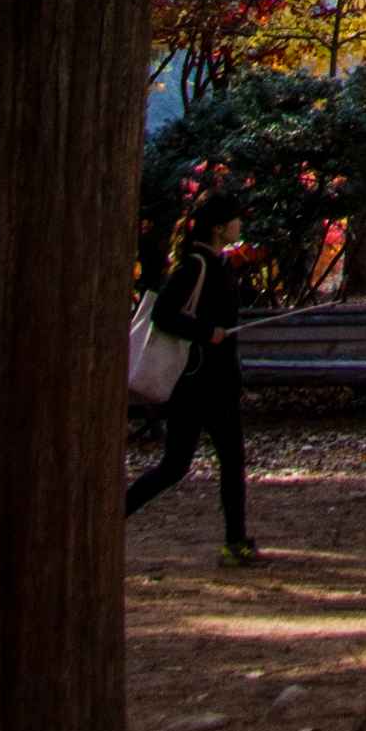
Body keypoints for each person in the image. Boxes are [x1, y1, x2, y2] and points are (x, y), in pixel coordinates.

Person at [126, 189, 256, 564]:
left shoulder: (220, 265)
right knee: (175, 465)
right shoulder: (194, 267)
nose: (239, 224)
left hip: (219, 383)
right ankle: (111, 515)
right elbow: (163, 315)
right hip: (195, 385)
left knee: (231, 461)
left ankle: (236, 541)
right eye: (234, 219)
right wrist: (205, 331)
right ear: (218, 227)